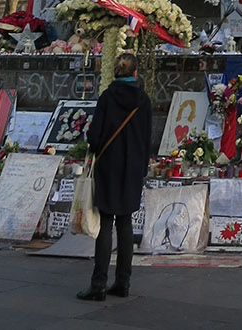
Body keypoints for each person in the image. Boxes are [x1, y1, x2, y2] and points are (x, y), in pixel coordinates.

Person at [78, 52, 152, 302]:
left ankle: (98, 284)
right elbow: (147, 138)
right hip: (132, 169)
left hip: (109, 167)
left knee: (106, 223)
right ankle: (123, 282)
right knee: (126, 223)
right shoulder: (143, 100)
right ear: (135, 73)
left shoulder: (107, 98)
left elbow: (95, 138)